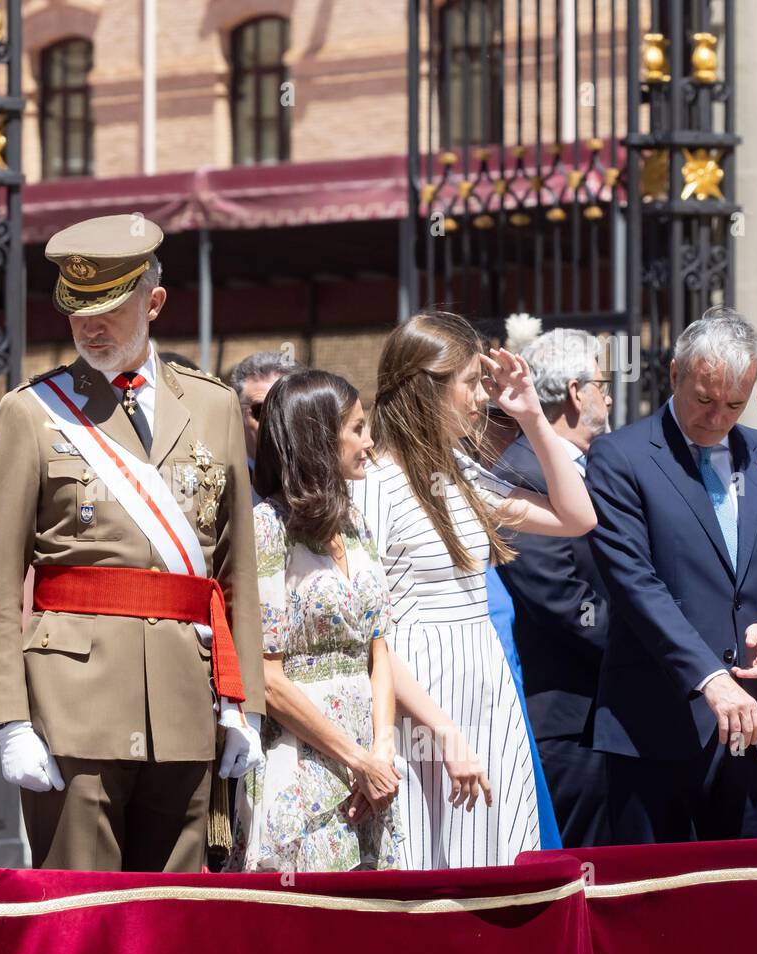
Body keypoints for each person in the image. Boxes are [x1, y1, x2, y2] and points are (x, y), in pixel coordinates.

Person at [0, 214, 265, 872]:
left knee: (176, 924)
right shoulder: (34, 412)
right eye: (77, 311)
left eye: (108, 308)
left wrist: (245, 705)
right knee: (82, 921)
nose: (89, 327)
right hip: (73, 705)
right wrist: (9, 718)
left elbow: (236, 568)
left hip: (188, 702)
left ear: (153, 301)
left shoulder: (213, 406)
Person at [352, 311, 596, 870]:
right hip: (422, 697)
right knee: (431, 861)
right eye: (469, 383)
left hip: (486, 682)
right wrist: (444, 732)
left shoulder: (460, 473)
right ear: (427, 386)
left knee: (498, 854)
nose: (479, 398)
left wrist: (533, 414)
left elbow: (578, 516)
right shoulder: (373, 487)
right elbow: (376, 637)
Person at [586, 308, 757, 844]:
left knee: (742, 908)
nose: (718, 417)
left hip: (754, 730)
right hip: (655, 733)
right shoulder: (620, 457)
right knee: (655, 912)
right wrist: (708, 676)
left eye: (734, 404)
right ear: (675, 373)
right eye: (704, 399)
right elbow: (635, 583)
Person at [231, 370, 405, 872]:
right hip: (301, 764)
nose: (370, 443)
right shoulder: (268, 528)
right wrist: (356, 759)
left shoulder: (355, 522)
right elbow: (266, 676)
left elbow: (378, 650)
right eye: (357, 428)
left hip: (370, 769)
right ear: (318, 439)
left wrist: (383, 749)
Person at [495, 329, 613, 848]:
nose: (610, 397)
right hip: (564, 718)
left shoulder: (597, 464)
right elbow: (557, 595)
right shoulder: (523, 471)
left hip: (601, 711)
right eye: (603, 385)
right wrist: (644, 642)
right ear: (574, 392)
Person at [228, 351, 298, 486]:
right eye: (260, 410)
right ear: (237, 414)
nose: (274, 423)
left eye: (284, 410)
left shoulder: (327, 485)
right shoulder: (223, 485)